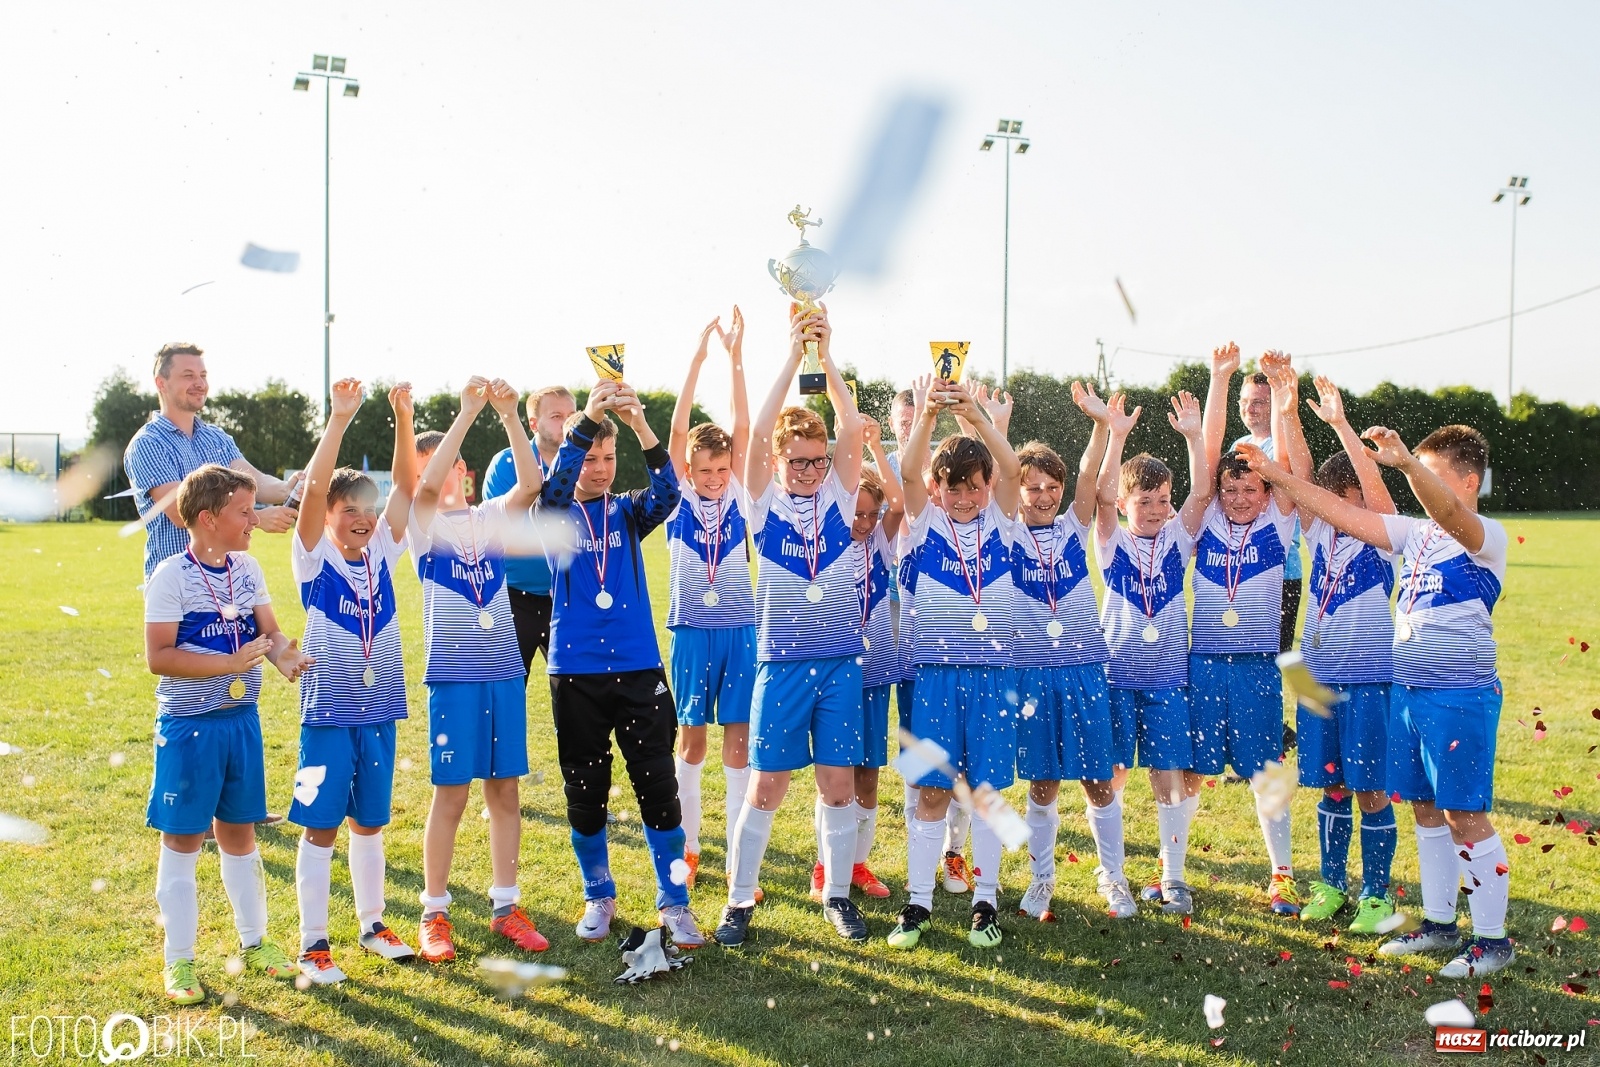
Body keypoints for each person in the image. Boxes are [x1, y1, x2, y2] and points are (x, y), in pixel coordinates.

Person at [1236, 421, 1514, 977]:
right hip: (1408, 694)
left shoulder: (1483, 533)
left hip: (1458, 694)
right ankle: (1438, 925)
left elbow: (1451, 515)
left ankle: (1493, 940)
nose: (1416, 486)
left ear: (1468, 482)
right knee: (1428, 809)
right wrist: (1272, 474)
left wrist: (1408, 466)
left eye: (1430, 476)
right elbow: (1340, 513)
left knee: (1464, 812)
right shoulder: (1414, 535)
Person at [713, 305, 869, 948]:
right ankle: (739, 901)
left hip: (839, 664)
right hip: (780, 664)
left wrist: (824, 355)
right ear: (778, 462)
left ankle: (836, 897)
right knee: (767, 785)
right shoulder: (761, 502)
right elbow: (749, 435)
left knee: (837, 786)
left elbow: (854, 426)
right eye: (798, 461)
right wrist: (789, 354)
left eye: (816, 461)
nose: (808, 471)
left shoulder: (836, 493)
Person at [539, 379, 703, 948]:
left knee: (660, 789)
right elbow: (554, 492)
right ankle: (598, 894)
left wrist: (638, 423)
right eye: (591, 457)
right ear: (572, 455)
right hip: (576, 672)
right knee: (586, 791)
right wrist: (583, 424)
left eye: (609, 458)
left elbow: (669, 490)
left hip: (638, 669)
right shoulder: (554, 513)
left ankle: (676, 902)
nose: (602, 467)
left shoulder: (631, 512)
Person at [144, 464, 313, 1004]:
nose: (252, 520)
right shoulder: (170, 575)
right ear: (208, 518)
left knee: (240, 835)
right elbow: (159, 657)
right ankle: (180, 963)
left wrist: (285, 656)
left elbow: (270, 631)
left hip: (242, 724)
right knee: (185, 840)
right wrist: (229, 663)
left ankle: (257, 943)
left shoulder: (247, 567)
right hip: (191, 728)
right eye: (243, 512)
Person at [286, 379, 420, 984]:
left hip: (379, 708)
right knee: (321, 826)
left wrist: (404, 417)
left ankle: (372, 924)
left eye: (370, 509)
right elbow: (315, 489)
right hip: (327, 715)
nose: (365, 519)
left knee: (370, 821)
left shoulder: (385, 553)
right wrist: (339, 420)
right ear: (329, 519)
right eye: (351, 512)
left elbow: (408, 488)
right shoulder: (315, 556)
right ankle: (314, 943)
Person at [410, 377, 548, 962]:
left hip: (502, 675)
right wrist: (466, 414)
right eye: (430, 471)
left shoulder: (491, 515)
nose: (441, 478)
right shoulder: (422, 527)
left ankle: (504, 905)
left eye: (448, 467)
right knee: (451, 796)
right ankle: (434, 911)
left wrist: (512, 416)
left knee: (505, 793)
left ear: (465, 471)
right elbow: (423, 489)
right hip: (454, 682)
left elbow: (533, 483)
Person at [888, 377, 1023, 951]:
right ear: (939, 490)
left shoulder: (1004, 518)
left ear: (987, 486)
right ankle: (917, 903)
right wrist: (924, 418)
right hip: (936, 678)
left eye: (973, 487)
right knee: (932, 794)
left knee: (986, 790)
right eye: (953, 488)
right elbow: (911, 474)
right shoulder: (927, 521)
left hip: (993, 679)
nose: (964, 498)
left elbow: (1015, 469)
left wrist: (974, 415)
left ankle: (985, 900)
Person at [1191, 350, 1313, 918]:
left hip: (1259, 668)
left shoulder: (1278, 518)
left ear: (1269, 494)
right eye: (1230, 492)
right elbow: (1208, 454)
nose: (1240, 500)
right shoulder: (1205, 516)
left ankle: (1281, 875)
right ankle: (1173, 873)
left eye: (1251, 491)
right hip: (1204, 663)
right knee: (1190, 769)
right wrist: (1219, 381)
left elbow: (1293, 471)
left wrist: (1287, 402)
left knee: (1267, 773)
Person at [1094, 377, 1219, 917]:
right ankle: (1113, 875)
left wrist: (1194, 438)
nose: (1156, 509)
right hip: (1118, 672)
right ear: (1125, 504)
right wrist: (1114, 435)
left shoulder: (1177, 537)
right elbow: (1098, 496)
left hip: (1168, 677)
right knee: (1111, 774)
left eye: (1162, 501)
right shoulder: (1109, 539)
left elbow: (1202, 493)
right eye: (1145, 501)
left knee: (1168, 774)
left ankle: (1172, 878)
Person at [1284, 376, 1401, 932]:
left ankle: (1377, 895)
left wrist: (1342, 426)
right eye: (1327, 502)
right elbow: (1302, 477)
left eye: (1344, 501)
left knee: (1371, 787)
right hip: (1315, 678)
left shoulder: (1387, 537)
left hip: (1371, 679)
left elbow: (1378, 495)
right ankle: (1331, 885)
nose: (1332, 510)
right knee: (1328, 784)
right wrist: (1287, 407)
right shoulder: (1317, 535)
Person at [1009, 386, 1127, 924]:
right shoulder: (1005, 532)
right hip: (1033, 673)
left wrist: (1101, 426)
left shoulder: (1072, 527)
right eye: (1033, 488)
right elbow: (995, 473)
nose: (1044, 496)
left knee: (1099, 781)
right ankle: (1042, 878)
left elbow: (1087, 478)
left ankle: (1114, 877)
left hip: (1083, 669)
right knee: (1043, 780)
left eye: (1051, 487)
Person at [665, 311, 754, 894]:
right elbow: (675, 436)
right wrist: (697, 360)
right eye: (706, 470)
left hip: (743, 628)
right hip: (693, 631)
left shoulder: (742, 492)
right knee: (692, 740)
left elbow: (743, 425)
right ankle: (692, 847)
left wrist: (735, 355)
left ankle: (735, 856)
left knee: (739, 741)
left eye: (723, 468)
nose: (717, 477)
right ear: (690, 471)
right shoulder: (676, 497)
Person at [810, 422, 904, 903]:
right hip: (834, 673)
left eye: (871, 514)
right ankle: (826, 866)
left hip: (876, 673)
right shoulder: (825, 542)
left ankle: (859, 864)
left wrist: (873, 447)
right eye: (855, 513)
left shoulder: (881, 543)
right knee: (836, 774)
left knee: (869, 774)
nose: (862, 523)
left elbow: (901, 502)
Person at [125, 342, 303, 581]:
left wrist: (285, 488)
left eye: (203, 375)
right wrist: (257, 518)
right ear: (161, 383)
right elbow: (181, 512)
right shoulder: (148, 443)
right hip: (178, 584)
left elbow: (253, 480)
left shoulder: (216, 437)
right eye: (188, 376)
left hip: (229, 581)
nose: (200, 383)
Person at [482, 385, 578, 678]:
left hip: (566, 595)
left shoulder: (586, 462)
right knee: (508, 687)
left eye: (573, 415)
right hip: (514, 595)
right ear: (534, 424)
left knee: (575, 690)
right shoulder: (507, 463)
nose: (567, 422)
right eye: (556, 416)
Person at [1234, 369, 1304, 652]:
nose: (1248, 408)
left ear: (1274, 405)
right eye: (1243, 400)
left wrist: (1280, 386)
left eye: (1258, 402)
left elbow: (1282, 470)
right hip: (1241, 566)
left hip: (1281, 571)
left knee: (1275, 656)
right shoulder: (1238, 444)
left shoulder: (1280, 445)